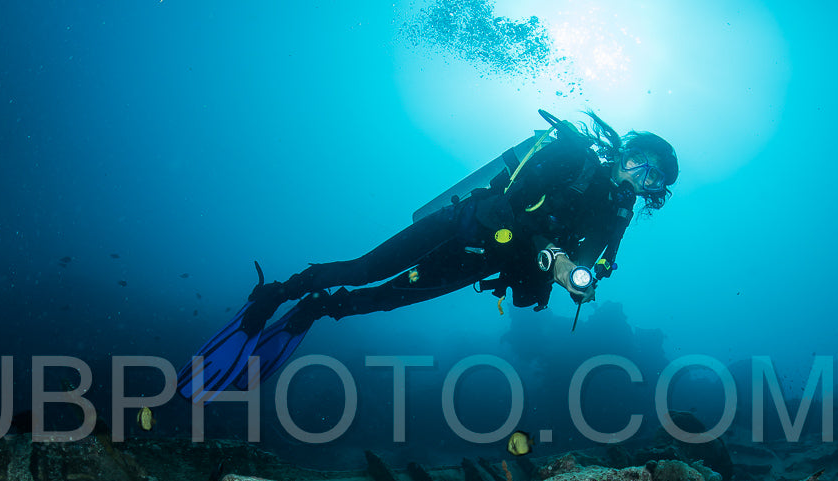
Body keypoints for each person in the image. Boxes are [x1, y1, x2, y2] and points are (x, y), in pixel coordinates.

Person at [178, 109, 678, 403]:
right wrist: (552, 254)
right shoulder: (573, 159)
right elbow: (507, 203)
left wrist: (583, 279)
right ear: (624, 150)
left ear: (657, 192)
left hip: (484, 263)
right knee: (365, 269)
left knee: (387, 300)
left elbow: (598, 261)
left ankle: (315, 310)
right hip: (464, 226)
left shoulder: (618, 214)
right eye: (641, 162)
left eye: (654, 178)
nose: (642, 176)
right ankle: (275, 296)